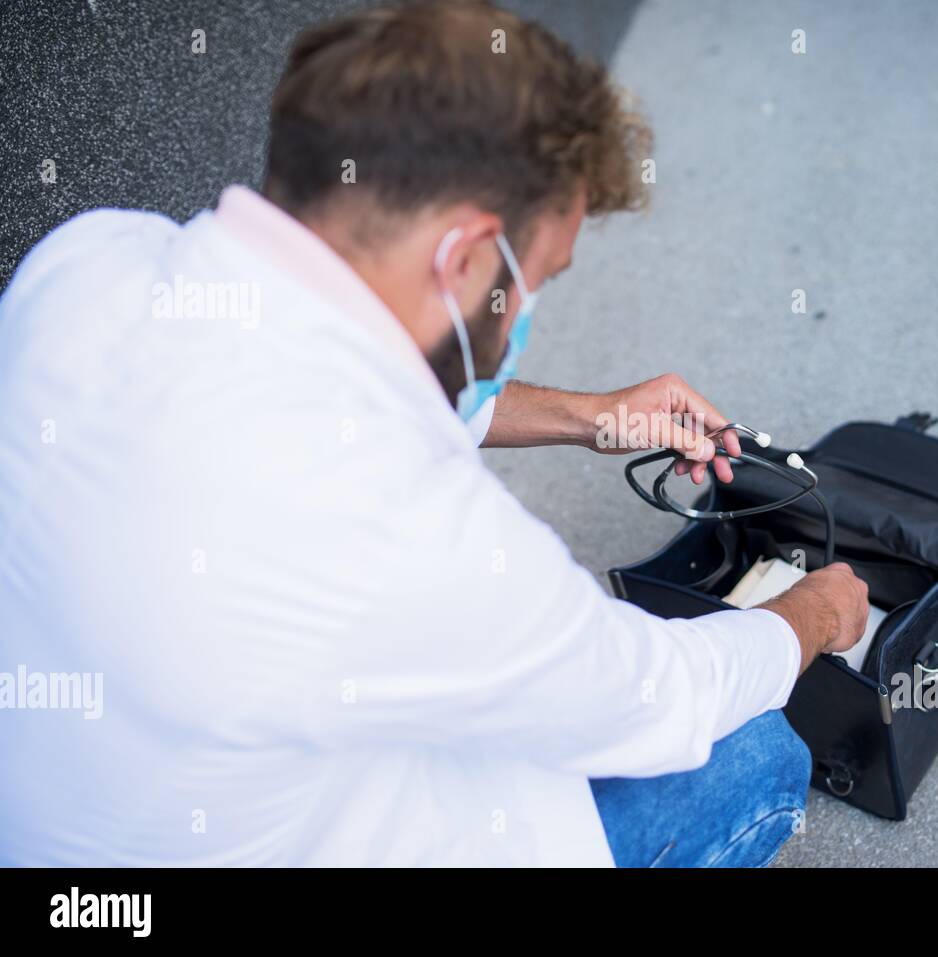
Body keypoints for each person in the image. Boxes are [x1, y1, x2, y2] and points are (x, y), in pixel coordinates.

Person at [0, 0, 868, 867]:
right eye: (535, 279)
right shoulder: (409, 525)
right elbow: (660, 699)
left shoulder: (87, 262)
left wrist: (588, 414)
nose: (525, 309)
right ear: (462, 262)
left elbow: (348, 365)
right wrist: (816, 613)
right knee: (754, 752)